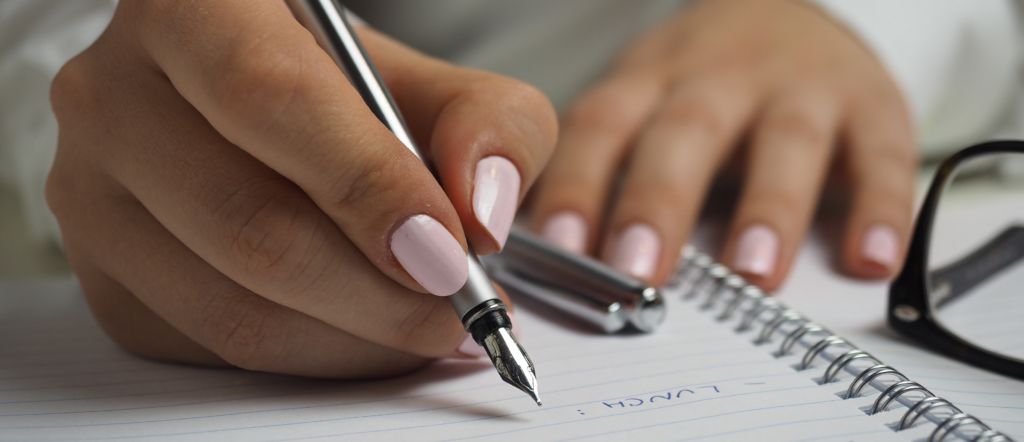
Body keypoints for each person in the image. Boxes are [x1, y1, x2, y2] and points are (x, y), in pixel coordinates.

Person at [0, 0, 1021, 377]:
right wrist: (130, 97)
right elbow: (60, 36)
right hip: (392, 162)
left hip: (932, 154)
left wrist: (868, 20)